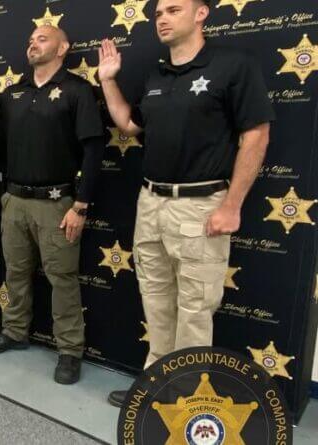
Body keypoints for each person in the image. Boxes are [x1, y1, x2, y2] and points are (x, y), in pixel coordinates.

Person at [97, 0, 274, 406]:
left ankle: (185, 397)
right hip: (151, 202)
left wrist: (232, 205)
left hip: (200, 205)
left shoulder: (233, 65)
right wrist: (108, 81)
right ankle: (157, 383)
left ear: (201, 14)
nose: (162, 18)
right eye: (158, 13)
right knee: (156, 300)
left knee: (195, 308)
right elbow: (128, 124)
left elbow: (256, 135)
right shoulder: (156, 74)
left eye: (174, 10)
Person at [0, 25, 104, 385]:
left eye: (42, 39)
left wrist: (81, 205)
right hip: (15, 201)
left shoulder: (77, 90)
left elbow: (93, 150)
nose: (32, 43)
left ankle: (70, 350)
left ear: (63, 48)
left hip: (57, 204)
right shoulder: (12, 94)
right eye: (30, 40)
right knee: (15, 271)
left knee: (62, 279)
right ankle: (15, 331)